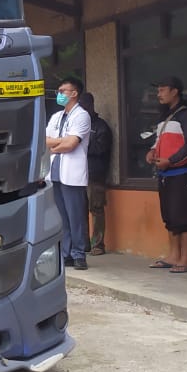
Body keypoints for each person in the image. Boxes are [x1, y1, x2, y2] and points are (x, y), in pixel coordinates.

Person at [146, 76, 187, 273]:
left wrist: (172, 160)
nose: (158, 94)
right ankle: (173, 255)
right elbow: (159, 141)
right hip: (165, 174)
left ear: (175, 91)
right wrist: (152, 151)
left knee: (183, 217)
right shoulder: (164, 116)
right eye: (158, 90)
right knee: (169, 216)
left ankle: (185, 259)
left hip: (183, 173)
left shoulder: (186, 116)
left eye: (162, 90)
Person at [46, 76, 92, 271]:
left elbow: (72, 144)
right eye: (59, 91)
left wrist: (56, 145)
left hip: (72, 174)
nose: (59, 94)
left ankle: (79, 254)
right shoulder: (56, 116)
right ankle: (66, 254)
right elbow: (45, 140)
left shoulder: (82, 115)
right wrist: (61, 142)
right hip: (55, 173)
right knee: (62, 217)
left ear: (74, 93)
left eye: (63, 91)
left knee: (76, 217)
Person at [79, 92, 113, 255]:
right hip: (78, 175)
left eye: (84, 106)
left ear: (91, 105)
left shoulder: (101, 126)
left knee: (96, 209)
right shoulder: (77, 125)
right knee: (80, 210)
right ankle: (83, 244)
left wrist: (80, 145)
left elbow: (101, 149)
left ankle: (98, 244)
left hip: (95, 175)